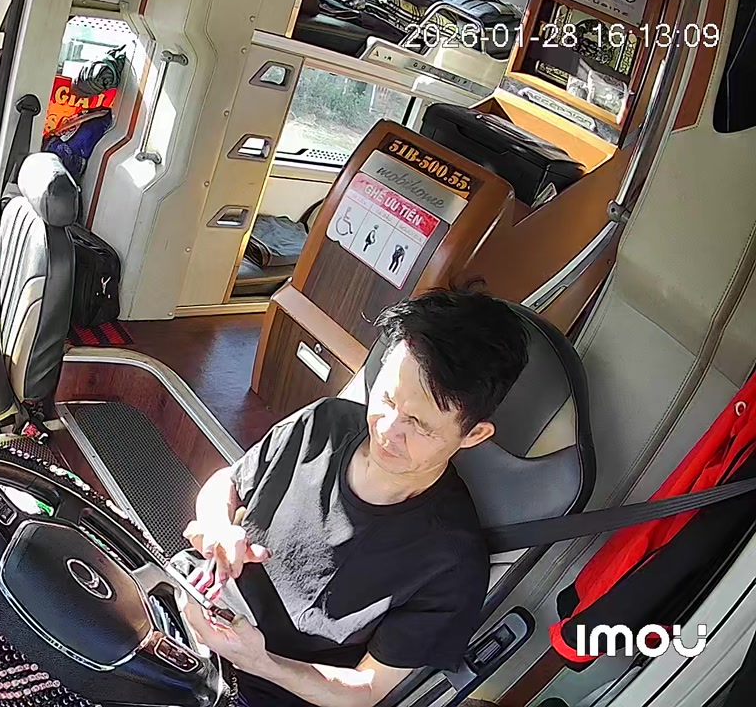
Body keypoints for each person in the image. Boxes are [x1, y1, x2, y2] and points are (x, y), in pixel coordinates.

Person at [180, 288, 530, 707]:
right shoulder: (324, 422)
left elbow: (368, 689)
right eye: (387, 398)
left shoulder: (452, 563)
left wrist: (261, 662)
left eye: (419, 424)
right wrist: (217, 526)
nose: (388, 429)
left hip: (255, 690)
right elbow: (230, 481)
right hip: (187, 604)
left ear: (473, 435)